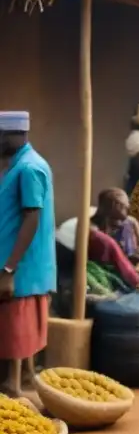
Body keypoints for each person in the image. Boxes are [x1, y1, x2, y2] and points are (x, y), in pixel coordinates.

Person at [0, 111, 55, 399]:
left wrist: (9, 269)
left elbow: (32, 217)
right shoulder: (18, 165)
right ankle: (24, 376)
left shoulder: (29, 168)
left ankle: (14, 384)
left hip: (21, 264)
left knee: (16, 324)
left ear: (14, 136)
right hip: (16, 261)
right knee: (15, 322)